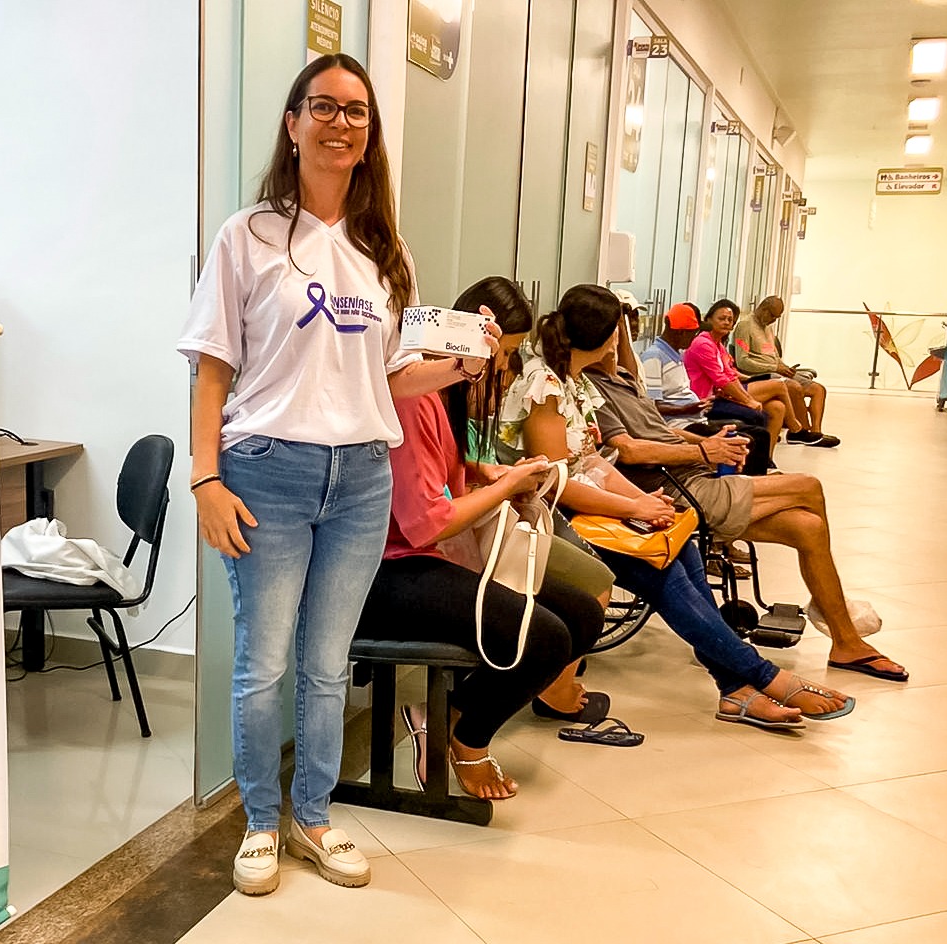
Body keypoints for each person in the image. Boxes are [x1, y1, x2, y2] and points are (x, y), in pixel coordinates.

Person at [177, 54, 500, 896]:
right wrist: (206, 482)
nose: (340, 122)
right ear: (293, 124)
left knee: (327, 666)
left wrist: (460, 365)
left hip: (361, 478)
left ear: (369, 137)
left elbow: (386, 380)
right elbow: (212, 370)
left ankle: (313, 817)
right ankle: (259, 822)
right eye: (323, 107)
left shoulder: (384, 251)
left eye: (356, 112)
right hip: (266, 473)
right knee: (264, 664)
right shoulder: (246, 235)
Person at [500, 284, 855, 728]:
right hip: (558, 514)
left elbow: (591, 461)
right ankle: (764, 679)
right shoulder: (545, 385)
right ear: (608, 335)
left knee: (681, 548)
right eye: (621, 331)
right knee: (665, 576)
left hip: (598, 499)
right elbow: (555, 480)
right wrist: (631, 507)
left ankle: (735, 690)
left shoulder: (573, 381)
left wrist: (640, 501)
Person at [359, 277, 608, 798]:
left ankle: (442, 717)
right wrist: (505, 487)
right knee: (543, 638)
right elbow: (426, 520)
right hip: (385, 573)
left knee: (582, 612)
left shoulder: (440, 396)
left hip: (422, 555)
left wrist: (483, 472)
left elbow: (433, 473)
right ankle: (468, 739)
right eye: (504, 354)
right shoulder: (414, 396)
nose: (505, 368)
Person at [584, 353, 909, 684]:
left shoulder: (624, 378)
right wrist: (704, 452)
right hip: (678, 488)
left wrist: (708, 443)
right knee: (809, 486)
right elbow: (629, 451)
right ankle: (829, 608)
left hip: (695, 473)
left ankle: (846, 643)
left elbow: (663, 433)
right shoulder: (592, 389)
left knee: (808, 527)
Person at [640, 302, 772, 475]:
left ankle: (755, 478)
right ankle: (746, 483)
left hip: (696, 416)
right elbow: (652, 407)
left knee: (759, 433)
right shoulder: (654, 357)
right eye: (693, 333)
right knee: (748, 438)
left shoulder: (676, 354)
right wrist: (688, 408)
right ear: (680, 332)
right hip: (681, 423)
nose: (695, 337)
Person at [683, 299, 807, 455]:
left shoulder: (719, 343)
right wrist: (748, 399)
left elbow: (730, 372)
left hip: (734, 385)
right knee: (781, 386)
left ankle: (766, 460)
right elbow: (731, 371)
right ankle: (796, 429)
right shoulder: (707, 342)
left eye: (730, 320)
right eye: (722, 319)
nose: (727, 323)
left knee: (777, 407)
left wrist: (751, 380)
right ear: (708, 319)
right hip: (708, 398)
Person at [733, 296, 839, 446]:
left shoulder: (768, 328)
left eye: (777, 317)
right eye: (772, 316)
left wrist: (784, 367)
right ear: (763, 309)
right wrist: (775, 368)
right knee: (794, 387)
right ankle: (802, 431)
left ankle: (816, 433)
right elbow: (742, 361)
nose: (774, 321)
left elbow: (773, 356)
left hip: (776, 370)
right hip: (759, 374)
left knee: (818, 389)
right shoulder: (745, 326)